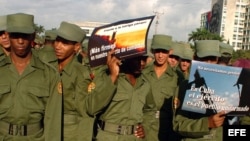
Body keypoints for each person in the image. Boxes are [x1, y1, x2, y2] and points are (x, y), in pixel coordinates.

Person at [53, 21, 120, 141]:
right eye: (57, 40)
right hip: (50, 130)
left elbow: (89, 108)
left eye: (65, 43)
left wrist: (113, 76)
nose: (58, 46)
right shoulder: (49, 68)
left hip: (70, 134)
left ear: (77, 47)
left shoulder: (80, 73)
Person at [0, 12, 62, 140]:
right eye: (16, 36)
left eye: (25, 36)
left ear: (33, 36)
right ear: (8, 36)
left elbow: (53, 120)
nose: (21, 41)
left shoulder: (49, 74)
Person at [95, 50, 156, 141]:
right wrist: (113, 76)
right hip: (108, 136)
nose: (142, 63)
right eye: (137, 59)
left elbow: (150, 109)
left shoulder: (145, 83)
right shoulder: (109, 76)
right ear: (127, 58)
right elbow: (93, 107)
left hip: (133, 137)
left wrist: (145, 127)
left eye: (144, 59)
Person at [173, 40, 226, 141]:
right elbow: (178, 124)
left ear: (217, 59)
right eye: (204, 59)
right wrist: (207, 123)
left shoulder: (224, 86)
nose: (209, 63)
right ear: (195, 59)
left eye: (212, 59)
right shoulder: (184, 87)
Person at [142, 34, 180, 141]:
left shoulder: (177, 77)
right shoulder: (143, 73)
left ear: (170, 52)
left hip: (166, 127)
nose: (160, 55)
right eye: (157, 51)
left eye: (164, 51)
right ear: (153, 51)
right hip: (144, 125)